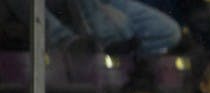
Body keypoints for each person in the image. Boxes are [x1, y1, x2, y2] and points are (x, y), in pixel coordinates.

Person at [3, 0, 181, 55]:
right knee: (122, 28)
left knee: (169, 31)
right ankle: (67, 40)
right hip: (50, 11)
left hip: (101, 5)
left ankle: (117, 49)